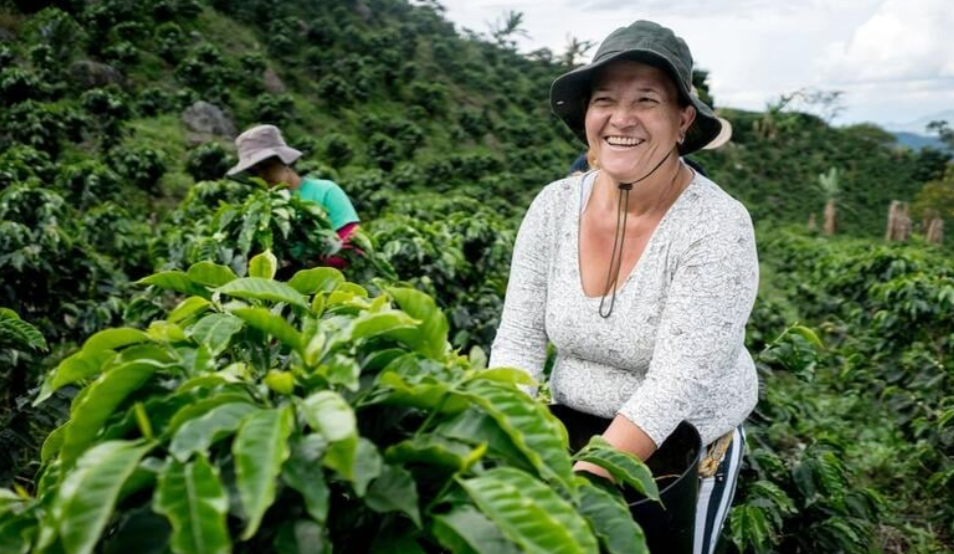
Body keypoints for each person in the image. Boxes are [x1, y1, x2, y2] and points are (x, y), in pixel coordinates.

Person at [488, 20, 758, 554]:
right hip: (570, 433)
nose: (621, 118)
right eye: (604, 99)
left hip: (681, 457)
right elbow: (518, 339)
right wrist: (503, 443)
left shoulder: (717, 226)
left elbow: (675, 385)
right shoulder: (553, 206)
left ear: (682, 120)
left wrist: (576, 486)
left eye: (646, 101)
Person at [226, 124, 360, 268]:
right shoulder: (262, 208)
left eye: (266, 166)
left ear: (285, 161)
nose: (262, 175)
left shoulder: (325, 191)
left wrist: (307, 265)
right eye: (254, 171)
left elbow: (353, 245)